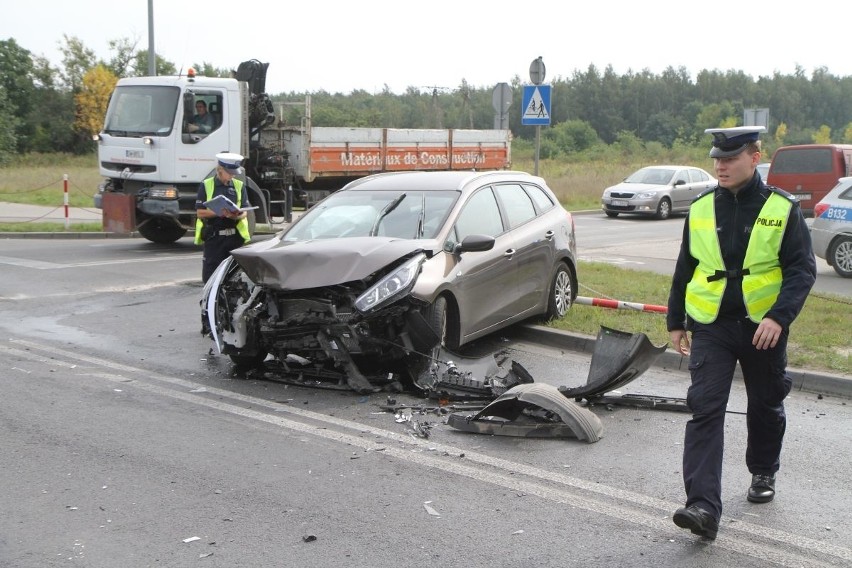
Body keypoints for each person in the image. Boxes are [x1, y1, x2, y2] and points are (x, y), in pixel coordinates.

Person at [667, 126, 816, 540]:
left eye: (729, 159)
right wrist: (676, 320)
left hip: (762, 327)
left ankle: (763, 470)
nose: (720, 166)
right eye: (716, 158)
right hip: (712, 325)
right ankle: (702, 507)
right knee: (705, 409)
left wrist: (779, 317)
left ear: (754, 156)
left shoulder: (782, 208)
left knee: (765, 405)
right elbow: (686, 267)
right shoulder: (700, 209)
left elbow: (802, 270)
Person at [195, 152, 252, 284]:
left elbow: (244, 211)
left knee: (234, 278)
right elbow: (200, 213)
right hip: (214, 238)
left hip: (234, 239)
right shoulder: (206, 185)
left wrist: (236, 215)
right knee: (211, 277)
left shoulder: (239, 185)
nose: (232, 175)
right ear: (220, 170)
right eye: (230, 172)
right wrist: (220, 212)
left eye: (234, 173)